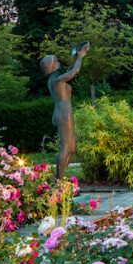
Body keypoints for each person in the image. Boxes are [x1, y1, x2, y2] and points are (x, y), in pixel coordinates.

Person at [41, 42, 90, 180]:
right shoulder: (56, 80)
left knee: (72, 148)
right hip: (63, 113)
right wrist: (81, 56)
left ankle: (59, 178)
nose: (58, 62)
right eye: (56, 61)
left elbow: (69, 70)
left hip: (63, 112)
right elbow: (74, 71)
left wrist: (75, 57)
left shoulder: (55, 78)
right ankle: (58, 181)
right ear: (51, 66)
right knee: (66, 147)